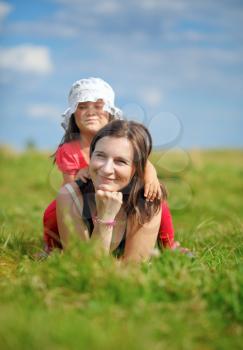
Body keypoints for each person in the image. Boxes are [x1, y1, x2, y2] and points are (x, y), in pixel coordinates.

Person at [42, 78, 175, 254]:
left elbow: (145, 163)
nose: (90, 112)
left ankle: (169, 245)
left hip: (123, 195)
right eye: (82, 107)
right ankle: (54, 246)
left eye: (98, 107)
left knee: (155, 199)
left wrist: (151, 177)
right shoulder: (69, 149)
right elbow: (69, 185)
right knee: (53, 213)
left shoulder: (124, 138)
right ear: (73, 114)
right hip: (85, 196)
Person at [56, 120, 164, 262]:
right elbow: (83, 268)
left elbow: (133, 269)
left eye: (120, 161)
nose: (106, 169)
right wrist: (106, 216)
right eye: (100, 155)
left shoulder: (146, 201)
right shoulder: (70, 196)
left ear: (136, 168)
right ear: (91, 156)